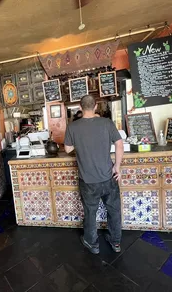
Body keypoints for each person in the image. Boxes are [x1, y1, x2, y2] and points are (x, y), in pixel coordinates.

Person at [64, 95, 124, 254]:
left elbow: (68, 149)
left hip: (88, 180)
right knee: (114, 210)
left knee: (90, 212)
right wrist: (117, 166)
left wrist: (81, 143)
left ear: (80, 107)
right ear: (96, 106)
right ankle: (115, 242)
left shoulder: (73, 127)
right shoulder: (106, 123)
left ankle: (92, 243)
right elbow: (119, 144)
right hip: (108, 177)